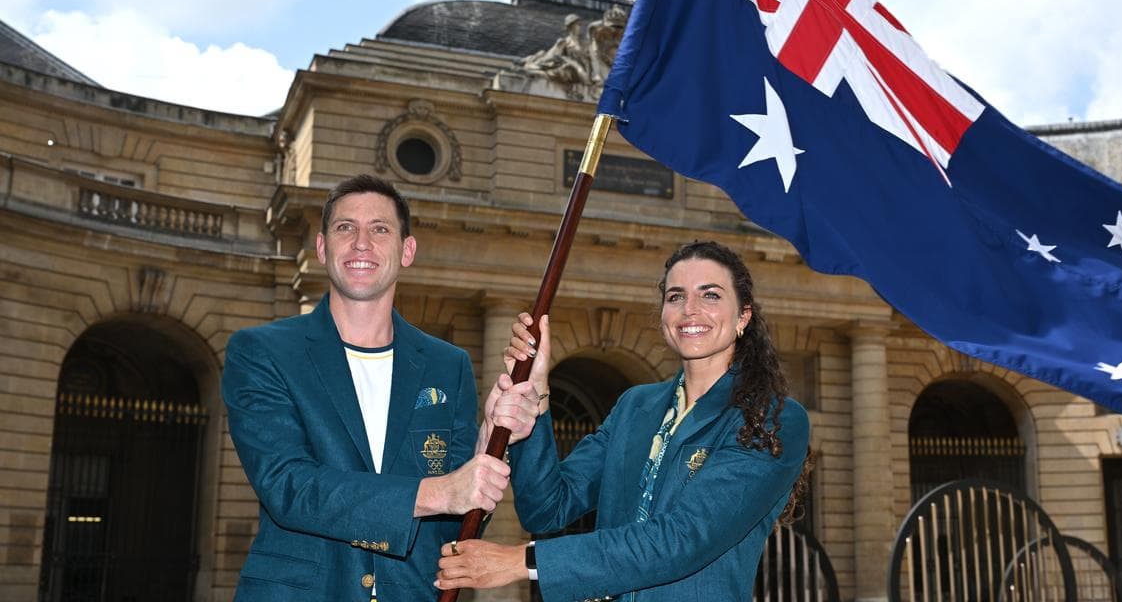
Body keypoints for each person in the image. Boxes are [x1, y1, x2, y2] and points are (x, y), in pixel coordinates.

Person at [436, 240, 810, 601]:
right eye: (675, 296)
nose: (689, 309)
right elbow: (548, 508)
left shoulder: (771, 417)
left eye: (710, 295)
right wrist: (536, 400)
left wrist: (521, 561)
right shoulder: (636, 406)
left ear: (743, 315)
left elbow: (683, 538)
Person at [222, 174, 535, 601]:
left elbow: (455, 521)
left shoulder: (449, 365)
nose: (361, 242)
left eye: (380, 229)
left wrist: (487, 447)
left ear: (407, 251)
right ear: (321, 247)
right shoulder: (262, 351)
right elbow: (288, 487)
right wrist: (438, 491)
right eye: (345, 227)